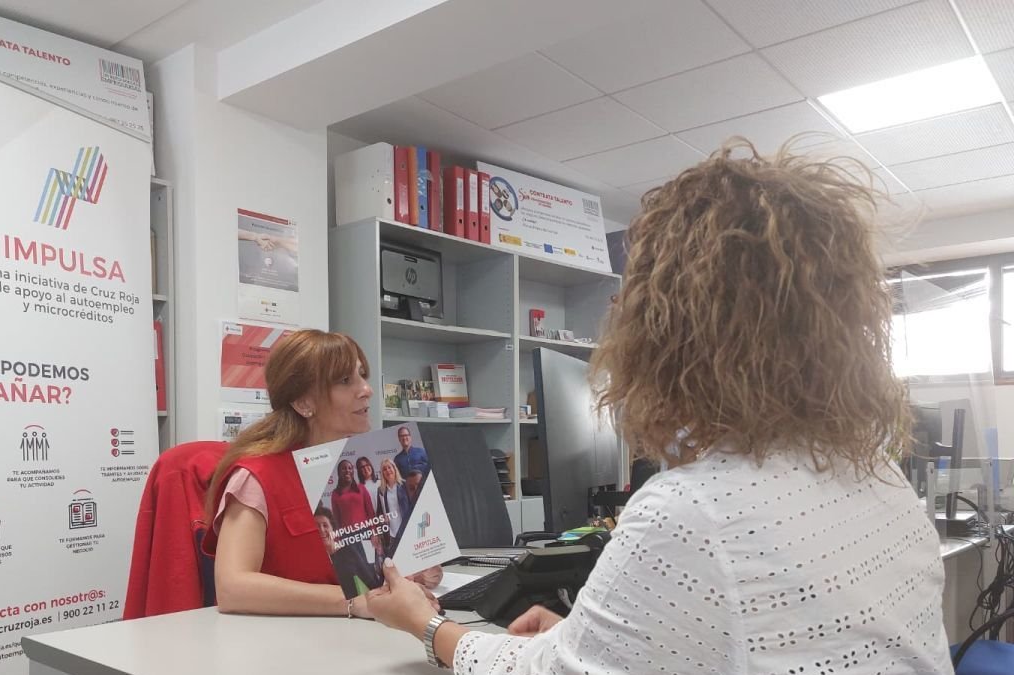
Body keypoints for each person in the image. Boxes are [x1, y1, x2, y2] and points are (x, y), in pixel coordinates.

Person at [366, 140, 952, 673]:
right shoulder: (882, 481)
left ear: (670, 328)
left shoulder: (695, 508)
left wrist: (427, 624)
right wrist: (588, 635)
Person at [203, 329, 437, 618]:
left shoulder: (354, 470)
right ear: (303, 403)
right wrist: (353, 602)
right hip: (282, 645)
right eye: (345, 380)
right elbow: (232, 588)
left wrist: (409, 572)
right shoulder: (257, 476)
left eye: (362, 375)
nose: (366, 389)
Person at [314, 505, 380, 596]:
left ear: (332, 528)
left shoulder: (348, 551)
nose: (321, 530)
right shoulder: (315, 562)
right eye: (317, 526)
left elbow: (368, 579)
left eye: (325, 525)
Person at [330, 459, 383, 564]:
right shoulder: (335, 494)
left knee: (371, 564)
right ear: (339, 472)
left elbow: (370, 513)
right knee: (358, 567)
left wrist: (374, 533)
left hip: (365, 533)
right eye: (344, 468)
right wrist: (338, 541)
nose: (347, 470)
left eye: (350, 468)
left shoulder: (361, 488)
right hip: (348, 537)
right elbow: (336, 520)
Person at [374, 458, 410, 553]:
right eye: (384, 469)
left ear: (394, 469)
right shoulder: (381, 490)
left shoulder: (404, 485)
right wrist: (382, 519)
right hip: (391, 534)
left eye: (389, 467)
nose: (387, 471)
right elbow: (379, 512)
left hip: (407, 530)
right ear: (382, 473)